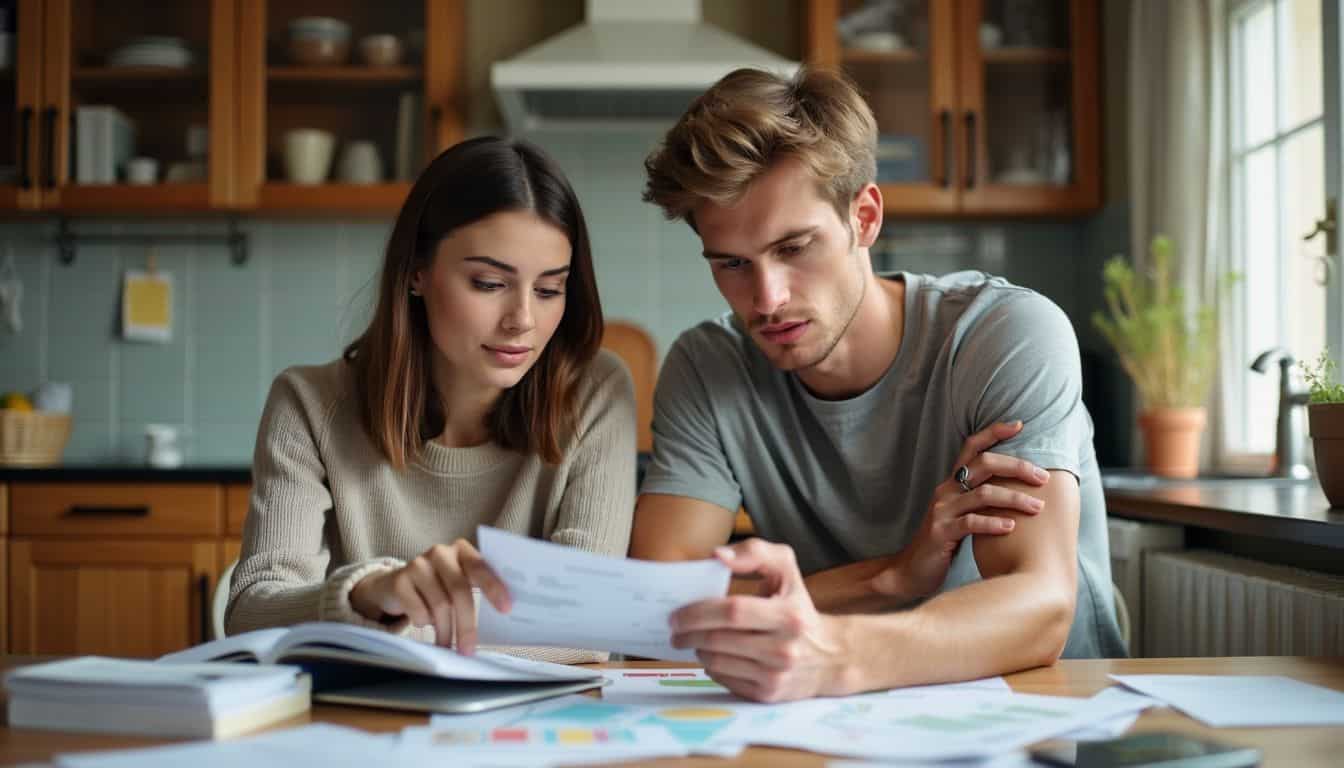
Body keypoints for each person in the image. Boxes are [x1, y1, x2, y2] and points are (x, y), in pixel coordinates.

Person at [633, 67, 1125, 701]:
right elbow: (658, 601)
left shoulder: (1002, 333)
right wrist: (888, 579)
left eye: (794, 248)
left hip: (1050, 708)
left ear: (864, 217)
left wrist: (836, 654)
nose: (767, 299)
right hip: (848, 712)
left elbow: (1038, 611)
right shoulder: (708, 367)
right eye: (732, 263)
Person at [227, 136, 637, 663]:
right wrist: (365, 595)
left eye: (549, 290)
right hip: (368, 721)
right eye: (489, 283)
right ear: (417, 272)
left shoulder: (597, 393)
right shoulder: (307, 404)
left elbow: (589, 619)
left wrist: (396, 624)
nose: (523, 321)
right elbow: (248, 613)